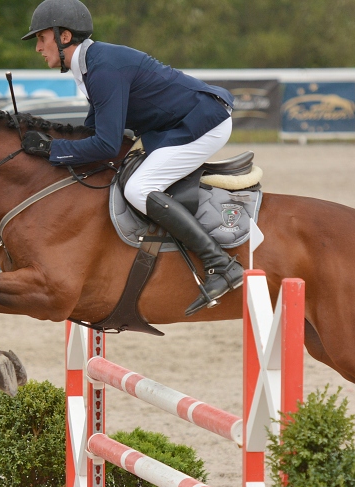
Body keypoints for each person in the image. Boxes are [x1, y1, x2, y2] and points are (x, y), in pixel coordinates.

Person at [20, 0, 243, 316]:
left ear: (64, 36)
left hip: (204, 122)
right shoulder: (88, 65)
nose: (39, 48)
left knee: (138, 188)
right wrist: (51, 142)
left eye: (41, 38)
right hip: (180, 123)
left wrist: (51, 150)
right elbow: (92, 129)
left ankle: (221, 264)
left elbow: (107, 145)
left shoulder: (103, 68)